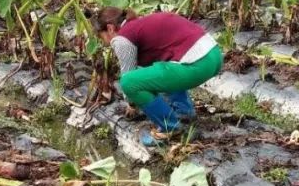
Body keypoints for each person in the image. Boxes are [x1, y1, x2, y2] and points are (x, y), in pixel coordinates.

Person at [93, 8, 224, 145]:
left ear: (110, 28)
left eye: (101, 36)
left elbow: (129, 74)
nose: (104, 42)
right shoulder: (138, 25)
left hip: (198, 63)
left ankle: (170, 128)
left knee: (128, 82)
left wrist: (132, 104)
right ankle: (183, 111)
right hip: (213, 56)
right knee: (161, 69)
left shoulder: (121, 39)